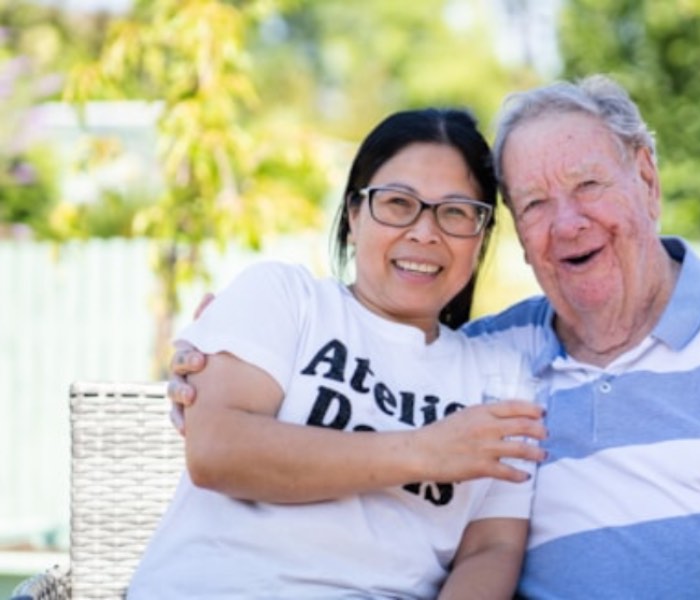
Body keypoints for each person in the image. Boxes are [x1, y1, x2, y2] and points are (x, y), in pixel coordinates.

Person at [170, 76, 700, 599]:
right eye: (534, 203)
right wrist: (213, 361)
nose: (566, 222)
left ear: (645, 178)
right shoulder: (502, 358)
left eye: (587, 185)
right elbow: (231, 438)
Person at [128, 108, 547, 600]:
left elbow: (491, 548)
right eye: (398, 203)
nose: (425, 232)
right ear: (353, 215)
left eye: (455, 212)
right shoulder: (285, 298)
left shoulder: (501, 376)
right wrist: (424, 451)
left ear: (482, 236)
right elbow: (218, 453)